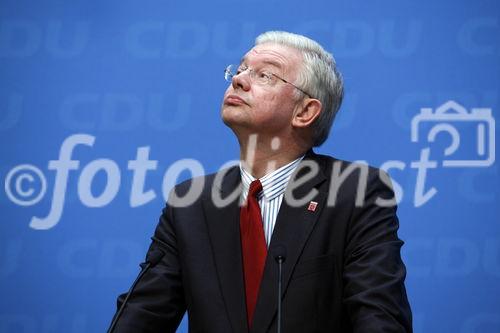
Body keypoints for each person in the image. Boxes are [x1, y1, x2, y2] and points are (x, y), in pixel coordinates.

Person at [111, 31, 412, 332]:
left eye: (265, 75)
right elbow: (141, 316)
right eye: (240, 69)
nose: (239, 80)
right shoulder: (190, 203)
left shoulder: (355, 192)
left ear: (305, 112)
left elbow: (380, 318)